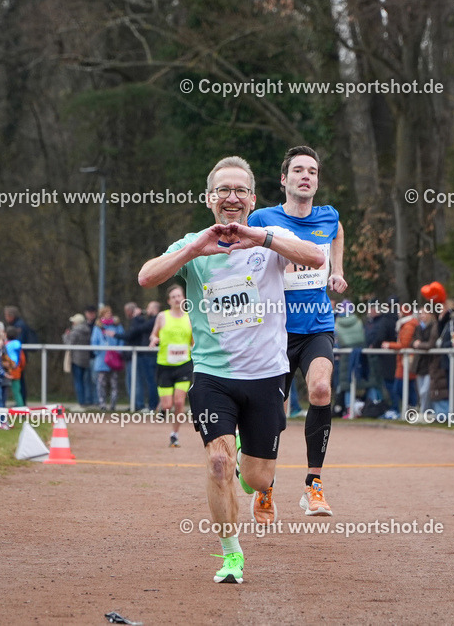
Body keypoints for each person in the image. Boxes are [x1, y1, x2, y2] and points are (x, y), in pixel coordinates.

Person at [138, 155, 324, 584]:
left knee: (257, 479)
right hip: (213, 376)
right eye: (223, 190)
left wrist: (260, 238)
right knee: (218, 463)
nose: (232, 197)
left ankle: (248, 462)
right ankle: (231, 554)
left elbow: (315, 257)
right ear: (210, 198)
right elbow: (146, 277)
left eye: (240, 190)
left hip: (266, 376)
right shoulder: (193, 243)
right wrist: (192, 250)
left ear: (253, 199)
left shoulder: (270, 237)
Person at [247, 145, 346, 516]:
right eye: (299, 170)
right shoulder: (262, 218)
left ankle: (313, 485)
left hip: (317, 325)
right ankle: (265, 486)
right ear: (284, 179)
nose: (307, 176)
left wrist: (337, 270)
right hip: (275, 330)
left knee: (320, 388)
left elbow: (338, 232)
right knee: (275, 412)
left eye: (313, 171)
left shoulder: (328, 216)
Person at [149, 284, 192, 447]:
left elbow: (194, 341)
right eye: (173, 297)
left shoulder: (189, 317)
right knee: (168, 405)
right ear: (168, 301)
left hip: (184, 365)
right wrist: (154, 339)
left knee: (179, 402)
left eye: (179, 296)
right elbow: (153, 334)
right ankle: (162, 407)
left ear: (184, 298)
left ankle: (175, 434)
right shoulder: (162, 316)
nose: (176, 299)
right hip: (165, 366)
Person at [90, 306, 124, 411]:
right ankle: (102, 403)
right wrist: (98, 351)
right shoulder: (98, 327)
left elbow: (122, 339)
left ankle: (113, 404)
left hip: (114, 359)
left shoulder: (117, 326)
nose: (109, 314)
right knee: (101, 383)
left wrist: (118, 351)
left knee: (114, 383)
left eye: (110, 312)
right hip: (102, 359)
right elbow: (94, 342)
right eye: (106, 313)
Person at [64, 313, 94, 405]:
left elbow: (69, 344)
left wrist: (66, 336)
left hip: (76, 359)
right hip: (86, 359)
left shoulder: (75, 331)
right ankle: (88, 400)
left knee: (78, 382)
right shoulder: (88, 330)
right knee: (86, 381)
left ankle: (81, 402)